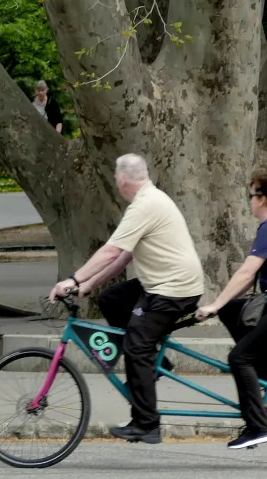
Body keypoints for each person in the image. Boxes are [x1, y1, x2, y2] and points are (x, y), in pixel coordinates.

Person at [50, 153, 204, 444]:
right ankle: (157, 364)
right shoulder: (148, 200)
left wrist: (72, 280)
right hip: (161, 283)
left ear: (121, 180)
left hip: (174, 289)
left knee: (136, 345)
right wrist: (90, 285)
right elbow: (123, 255)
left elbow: (109, 251)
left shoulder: (145, 205)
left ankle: (147, 424)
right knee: (110, 300)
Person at [195, 173, 267, 450]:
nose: (250, 202)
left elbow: (246, 273)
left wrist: (213, 305)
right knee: (232, 310)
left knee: (239, 357)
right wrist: (221, 306)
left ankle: (257, 427)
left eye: (251, 196)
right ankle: (264, 369)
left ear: (262, 198)